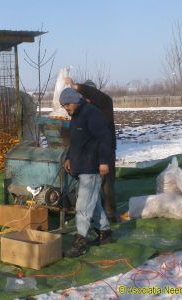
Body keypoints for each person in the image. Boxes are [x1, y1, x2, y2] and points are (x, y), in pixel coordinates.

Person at [60, 87, 113, 257]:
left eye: (67, 104)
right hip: (81, 165)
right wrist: (68, 157)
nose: (65, 108)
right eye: (63, 106)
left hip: (92, 166)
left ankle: (80, 242)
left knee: (83, 206)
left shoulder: (91, 113)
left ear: (74, 100)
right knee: (93, 202)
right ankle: (105, 233)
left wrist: (104, 162)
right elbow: (75, 142)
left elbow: (105, 138)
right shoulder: (76, 116)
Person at [65, 77, 117, 223]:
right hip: (89, 152)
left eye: (87, 95)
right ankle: (95, 216)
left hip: (105, 149)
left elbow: (104, 138)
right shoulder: (82, 111)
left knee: (107, 183)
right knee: (90, 186)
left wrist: (77, 87)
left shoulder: (105, 104)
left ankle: (110, 214)